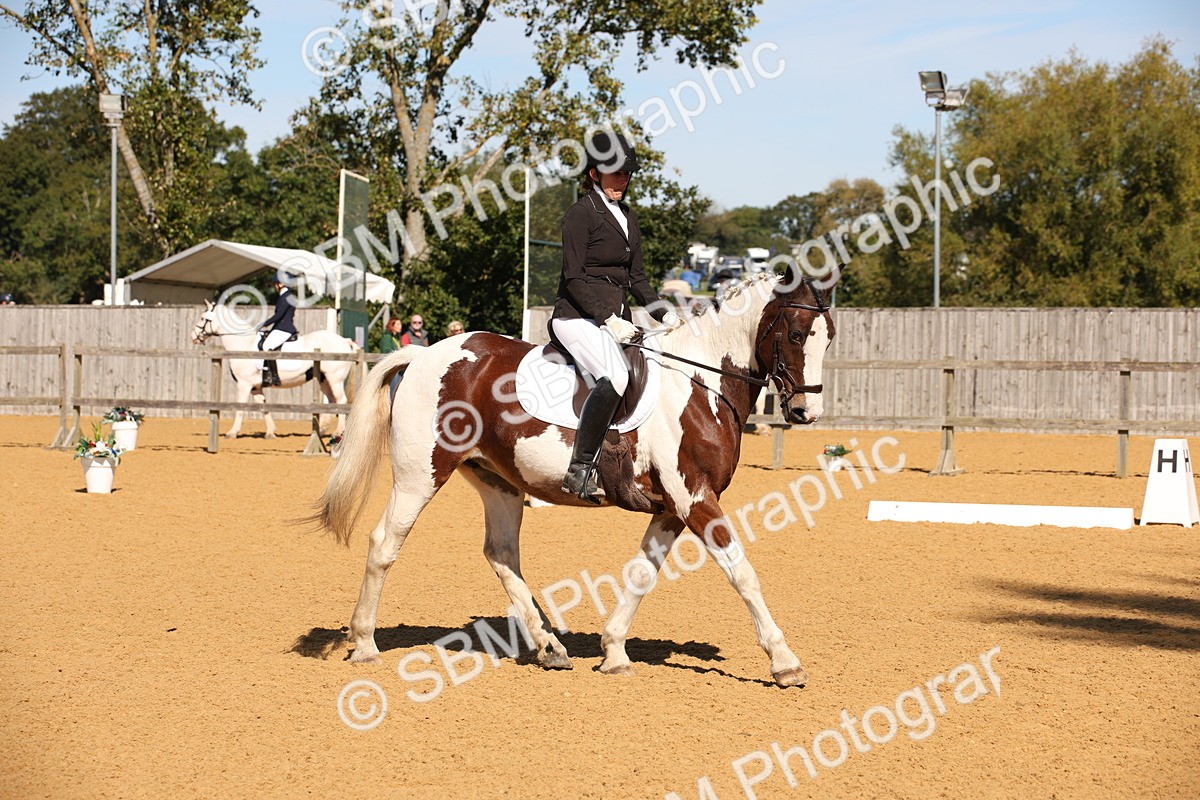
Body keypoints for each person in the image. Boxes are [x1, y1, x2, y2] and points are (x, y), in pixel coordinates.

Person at [551, 130, 679, 503]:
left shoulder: (628, 218)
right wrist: (608, 317)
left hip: (616, 318)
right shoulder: (579, 215)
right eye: (615, 174)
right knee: (616, 375)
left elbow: (637, 278)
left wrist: (665, 316)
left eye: (626, 174)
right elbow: (574, 277)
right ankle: (579, 470)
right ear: (594, 174)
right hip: (576, 316)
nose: (622, 181)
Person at [258, 277, 298, 387]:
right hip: (280, 327)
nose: (274, 286)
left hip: (284, 328)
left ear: (281, 284)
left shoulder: (287, 296)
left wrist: (264, 323)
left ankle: (274, 377)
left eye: (275, 284)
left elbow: (279, 315)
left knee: (267, 346)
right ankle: (267, 375)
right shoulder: (285, 295)